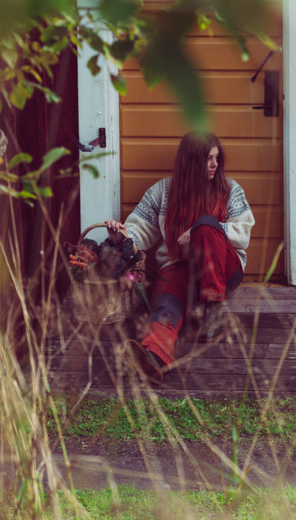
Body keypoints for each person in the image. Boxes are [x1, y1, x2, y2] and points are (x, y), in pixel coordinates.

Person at [105, 131, 255, 384]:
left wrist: (200, 229)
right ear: (190, 160)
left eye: (217, 158)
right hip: (179, 267)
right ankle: (153, 358)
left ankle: (213, 309)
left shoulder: (230, 189)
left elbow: (243, 233)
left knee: (207, 224)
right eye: (208, 158)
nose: (214, 165)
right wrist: (122, 236)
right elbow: (141, 230)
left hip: (223, 271)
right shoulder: (162, 192)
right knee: (164, 303)